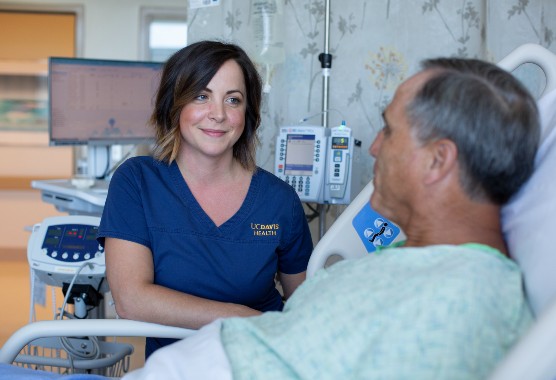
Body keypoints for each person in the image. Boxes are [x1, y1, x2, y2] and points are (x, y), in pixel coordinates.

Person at [123, 57, 540, 380]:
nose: (373, 148)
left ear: (438, 160)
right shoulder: (416, 263)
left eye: (389, 131)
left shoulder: (461, 301)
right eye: (201, 95)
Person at [97, 40, 313, 357]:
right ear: (174, 104)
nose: (218, 115)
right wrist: (247, 319)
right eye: (202, 96)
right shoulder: (137, 181)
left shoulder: (279, 201)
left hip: (259, 362)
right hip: (176, 368)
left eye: (233, 100)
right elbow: (131, 300)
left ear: (248, 113)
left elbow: (304, 308)